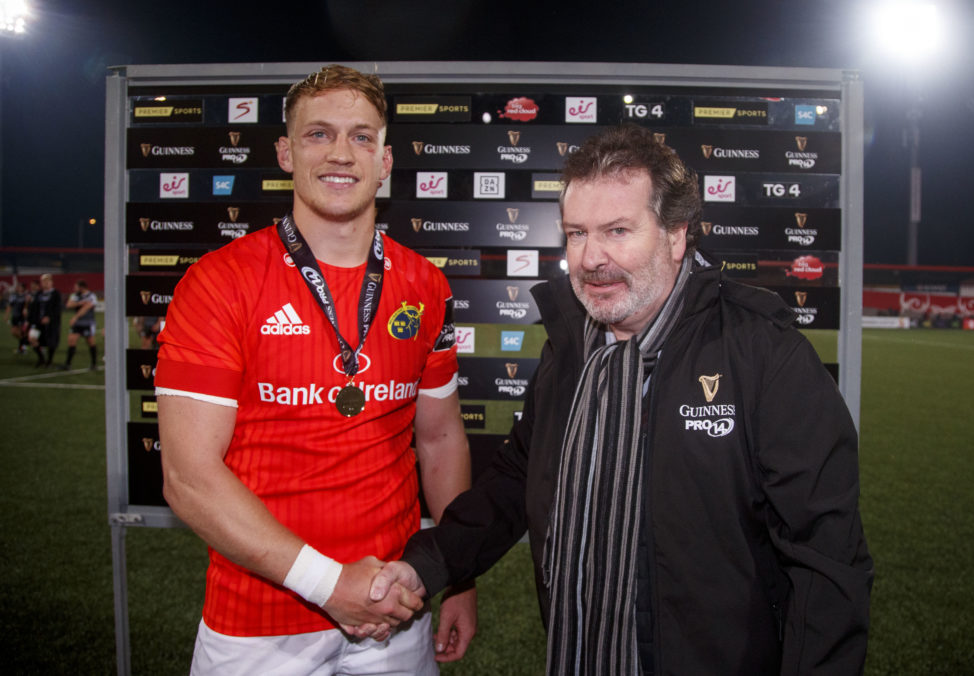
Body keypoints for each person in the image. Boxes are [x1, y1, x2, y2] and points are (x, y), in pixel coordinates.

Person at [372, 124, 874, 675]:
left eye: (617, 230)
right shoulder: (568, 348)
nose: (591, 258)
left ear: (676, 235)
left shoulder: (763, 353)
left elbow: (826, 559)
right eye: (577, 233)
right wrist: (425, 566)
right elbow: (513, 481)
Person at [155, 64, 475, 675]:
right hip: (258, 624)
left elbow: (439, 439)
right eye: (318, 134)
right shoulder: (219, 282)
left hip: (395, 607)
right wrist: (329, 584)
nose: (340, 154)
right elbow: (188, 477)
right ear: (285, 153)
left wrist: (458, 573)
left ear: (385, 161)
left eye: (361, 137)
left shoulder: (425, 285)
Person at [61, 279, 99, 370]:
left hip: (88, 323)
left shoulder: (91, 296)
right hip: (77, 323)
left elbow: (87, 307)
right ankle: (68, 364)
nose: (74, 289)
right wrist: (80, 303)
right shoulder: (75, 295)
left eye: (76, 287)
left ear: (82, 287)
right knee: (71, 340)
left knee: (91, 342)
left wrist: (75, 317)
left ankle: (94, 364)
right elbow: (68, 305)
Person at [28, 274, 61, 367]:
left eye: (47, 281)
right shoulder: (38, 294)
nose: (45, 283)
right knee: (32, 339)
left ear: (51, 282)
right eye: (43, 281)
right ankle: (41, 358)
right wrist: (30, 319)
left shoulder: (56, 294)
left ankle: (49, 361)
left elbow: (58, 308)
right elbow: (33, 308)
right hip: (37, 322)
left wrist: (49, 317)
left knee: (51, 343)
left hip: (51, 323)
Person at [6, 281, 30, 354]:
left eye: (19, 286)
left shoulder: (26, 295)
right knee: (14, 332)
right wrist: (7, 315)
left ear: (23, 288)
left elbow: (28, 305)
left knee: (21, 332)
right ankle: (25, 342)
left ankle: (22, 348)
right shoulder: (14, 296)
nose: (18, 287)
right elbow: (10, 305)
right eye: (18, 286)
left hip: (22, 317)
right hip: (15, 316)